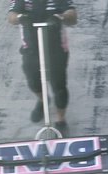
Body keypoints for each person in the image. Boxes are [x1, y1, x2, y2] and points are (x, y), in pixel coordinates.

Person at [8, 0, 78, 133]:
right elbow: (11, 16)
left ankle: (60, 119)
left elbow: (72, 16)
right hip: (31, 48)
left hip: (56, 48)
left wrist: (60, 17)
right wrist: (20, 17)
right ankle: (43, 99)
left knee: (58, 86)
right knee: (33, 82)